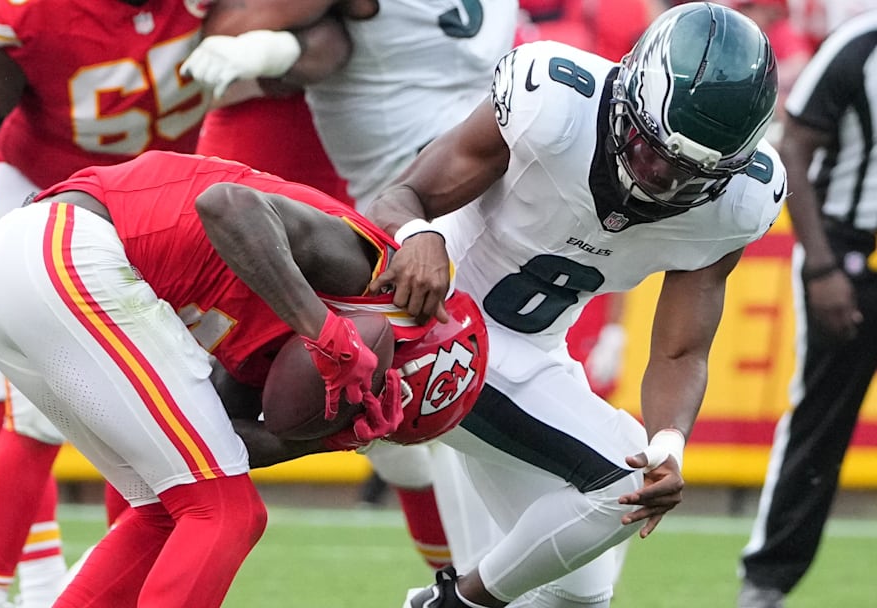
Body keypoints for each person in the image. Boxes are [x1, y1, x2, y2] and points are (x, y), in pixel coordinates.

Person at [363, 3, 784, 606]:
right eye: (651, 153)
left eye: (688, 176)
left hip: (529, 354)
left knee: (577, 593)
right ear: (627, 100)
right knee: (622, 475)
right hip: (438, 326)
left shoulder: (741, 203)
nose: (661, 182)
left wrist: (670, 440)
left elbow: (682, 348)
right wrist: (419, 234)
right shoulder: (553, 103)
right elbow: (400, 196)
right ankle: (454, 603)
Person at [0, 148, 489, 608]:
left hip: (17, 274)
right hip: (64, 247)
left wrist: (331, 439)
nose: (364, 400)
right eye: (377, 396)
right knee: (226, 513)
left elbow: (226, 437)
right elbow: (225, 203)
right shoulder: (361, 271)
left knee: (168, 511)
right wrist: (325, 333)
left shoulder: (292, 341)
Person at [182, 0, 518, 573]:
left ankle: (470, 583)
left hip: (400, 193)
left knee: (439, 408)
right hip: (458, 177)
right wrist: (275, 48)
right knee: (420, 409)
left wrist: (270, 46)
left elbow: (240, 32)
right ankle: (465, 580)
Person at [0, 1, 210, 606]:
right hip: (41, 193)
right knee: (20, 403)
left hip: (165, 198)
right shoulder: (32, 11)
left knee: (159, 399)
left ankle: (105, 585)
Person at [737, 10, 877, 608]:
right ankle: (766, 579)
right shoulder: (859, 46)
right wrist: (820, 266)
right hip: (852, 254)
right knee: (821, 419)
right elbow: (793, 143)